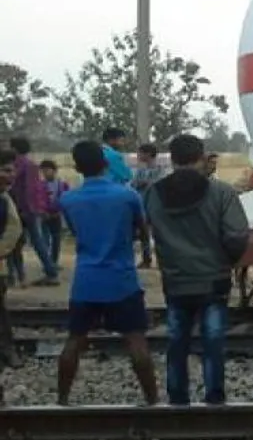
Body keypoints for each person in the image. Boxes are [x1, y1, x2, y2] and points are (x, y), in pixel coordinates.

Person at [143, 134, 249, 406]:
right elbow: (237, 235)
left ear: (173, 157)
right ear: (200, 157)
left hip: (175, 279)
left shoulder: (154, 193)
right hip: (214, 279)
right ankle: (214, 397)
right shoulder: (222, 192)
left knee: (177, 341)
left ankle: (178, 398)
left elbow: (147, 229)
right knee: (213, 342)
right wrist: (227, 261)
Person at [57, 141, 159, 406]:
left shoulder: (68, 200)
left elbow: (77, 233)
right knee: (136, 339)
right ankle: (153, 401)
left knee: (74, 340)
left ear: (77, 167)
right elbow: (143, 231)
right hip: (121, 279)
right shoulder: (127, 196)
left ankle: (62, 400)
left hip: (86, 281)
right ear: (105, 163)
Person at [7, 137, 56, 287]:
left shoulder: (19, 164)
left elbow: (28, 189)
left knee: (12, 242)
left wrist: (26, 209)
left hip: (21, 209)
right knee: (35, 241)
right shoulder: (30, 164)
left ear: (15, 149)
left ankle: (15, 275)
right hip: (28, 209)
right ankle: (49, 272)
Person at [0, 151, 27, 376]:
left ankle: (8, 350)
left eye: (12, 170)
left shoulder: (5, 198)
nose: (12, 175)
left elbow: (13, 230)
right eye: (6, 170)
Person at [131, 143, 167, 268]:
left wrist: (147, 183)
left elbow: (160, 184)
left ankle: (163, 260)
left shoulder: (160, 169)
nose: (138, 155)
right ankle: (146, 259)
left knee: (159, 234)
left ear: (147, 154)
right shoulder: (141, 170)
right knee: (144, 233)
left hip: (156, 205)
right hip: (143, 204)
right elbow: (134, 184)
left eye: (140, 153)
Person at [39, 160, 69, 267]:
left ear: (54, 171)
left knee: (56, 240)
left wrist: (60, 211)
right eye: (43, 171)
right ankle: (47, 263)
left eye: (48, 170)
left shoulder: (62, 185)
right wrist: (43, 212)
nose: (45, 173)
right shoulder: (40, 185)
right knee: (45, 240)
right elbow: (38, 200)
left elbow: (66, 199)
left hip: (56, 215)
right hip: (44, 216)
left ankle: (54, 262)